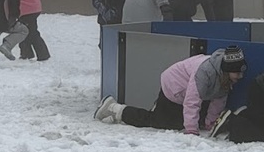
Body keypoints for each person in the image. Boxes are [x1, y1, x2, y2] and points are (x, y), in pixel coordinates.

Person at [94, 44, 248, 135]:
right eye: (237, 73)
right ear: (227, 70)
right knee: (158, 121)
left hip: (188, 91)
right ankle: (114, 109)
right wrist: (191, 131)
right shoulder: (204, 72)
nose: (240, 76)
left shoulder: (225, 77)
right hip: (174, 87)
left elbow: (218, 100)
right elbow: (191, 101)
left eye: (241, 72)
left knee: (190, 120)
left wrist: (210, 123)